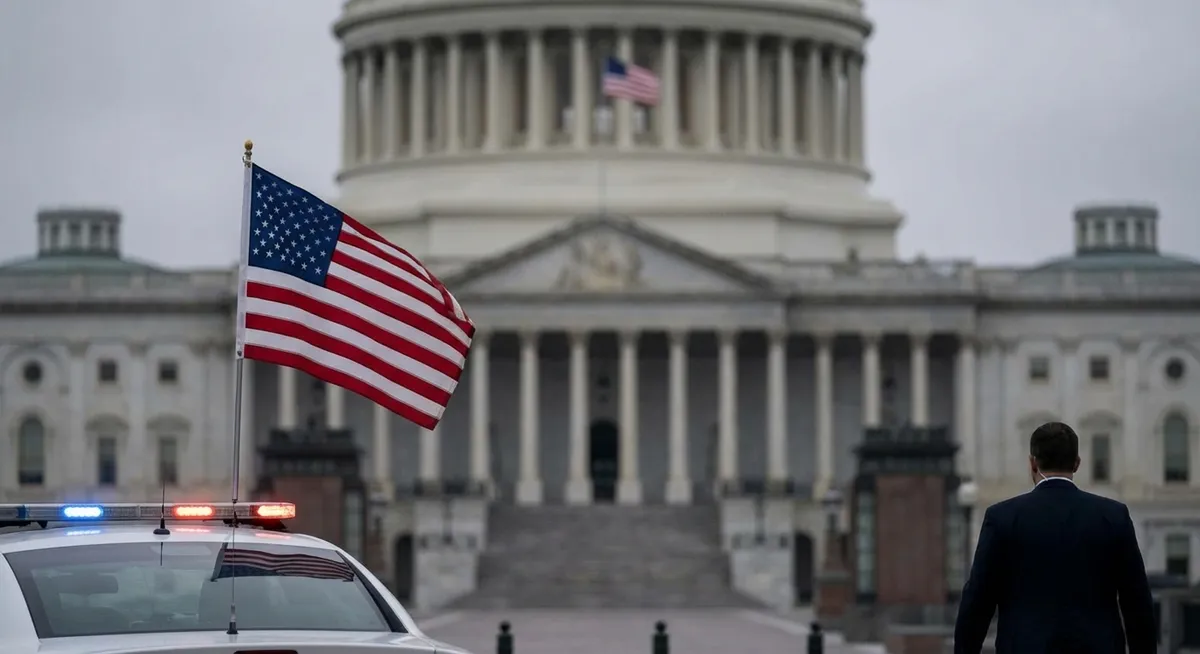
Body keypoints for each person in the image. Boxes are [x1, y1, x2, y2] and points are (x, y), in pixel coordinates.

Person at [953, 421, 1156, 654]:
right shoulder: (1112, 516)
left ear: (1032, 462)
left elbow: (978, 600)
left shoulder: (1002, 518)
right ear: (1077, 463)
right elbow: (1137, 601)